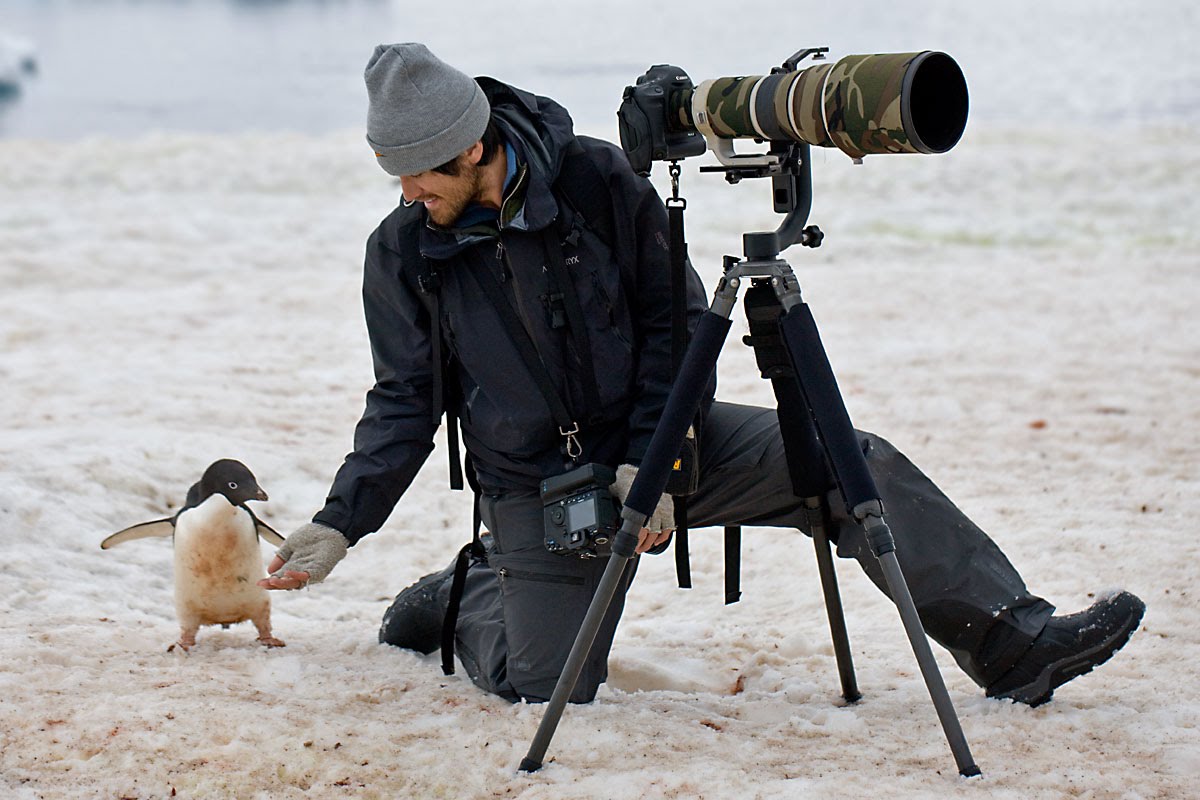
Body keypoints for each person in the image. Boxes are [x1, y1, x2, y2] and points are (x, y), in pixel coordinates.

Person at [260, 43, 1144, 707]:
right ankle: (467, 596)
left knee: (849, 459)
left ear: (468, 147)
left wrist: (656, 459)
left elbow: (677, 323)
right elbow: (404, 401)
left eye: (415, 174)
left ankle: (1016, 645)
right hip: (535, 488)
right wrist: (344, 523)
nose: (405, 194)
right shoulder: (404, 250)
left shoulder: (598, 182)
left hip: (669, 444)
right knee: (550, 690)